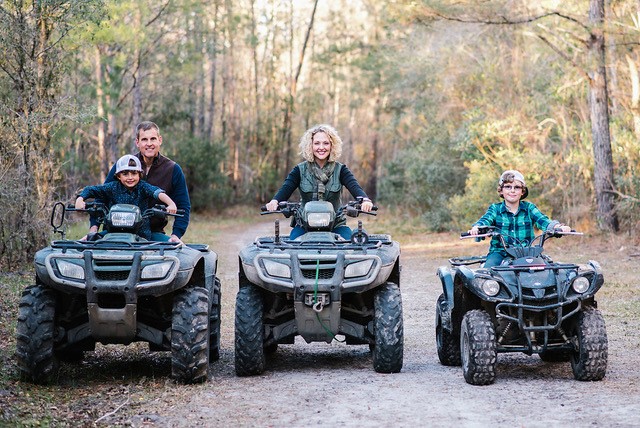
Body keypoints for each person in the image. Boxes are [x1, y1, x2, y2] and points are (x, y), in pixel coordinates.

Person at [265, 124, 373, 240]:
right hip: (304, 225)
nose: (321, 147)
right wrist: (275, 201)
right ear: (310, 145)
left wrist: (365, 200)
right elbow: (286, 188)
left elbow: (355, 186)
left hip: (336, 224)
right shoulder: (299, 170)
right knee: (292, 246)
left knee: (349, 246)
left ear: (332, 146)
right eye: (317, 143)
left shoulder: (340, 170)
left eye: (326, 143)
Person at [88, 121, 190, 243]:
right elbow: (101, 197)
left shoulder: (172, 169)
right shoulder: (123, 166)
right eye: (144, 139)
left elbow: (183, 206)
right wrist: (94, 227)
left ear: (160, 140)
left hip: (151, 233)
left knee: (179, 253)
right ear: (137, 142)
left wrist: (176, 235)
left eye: (153, 139)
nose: (149, 144)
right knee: (83, 247)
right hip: (114, 231)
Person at [468, 169, 572, 268]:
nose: (512, 191)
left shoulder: (529, 208)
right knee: (487, 274)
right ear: (501, 191)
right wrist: (477, 227)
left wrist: (557, 227)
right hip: (500, 253)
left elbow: (543, 220)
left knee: (547, 272)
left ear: (522, 191)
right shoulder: (495, 209)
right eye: (508, 187)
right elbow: (486, 219)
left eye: (517, 187)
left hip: (527, 253)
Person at [76, 155, 177, 241]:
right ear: (119, 176)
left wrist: (171, 204)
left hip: (142, 236)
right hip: (113, 234)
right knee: (87, 241)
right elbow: (91, 189)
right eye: (125, 174)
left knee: (173, 245)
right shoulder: (112, 187)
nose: (130, 177)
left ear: (139, 175)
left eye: (134, 173)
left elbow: (157, 192)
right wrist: (80, 199)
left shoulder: (143, 187)